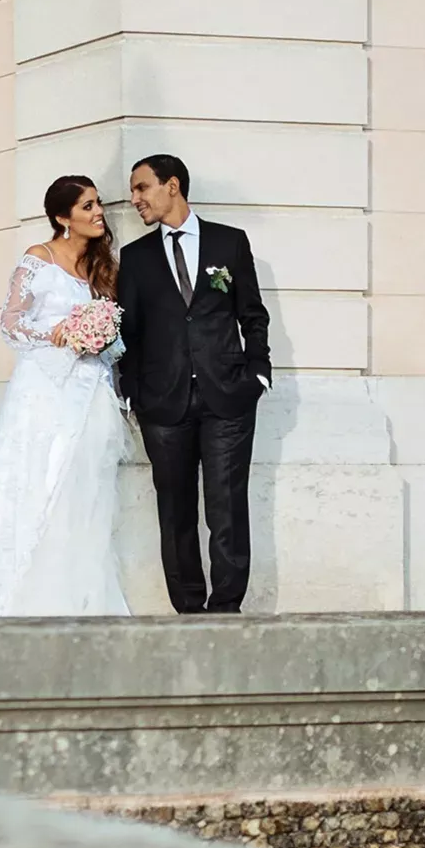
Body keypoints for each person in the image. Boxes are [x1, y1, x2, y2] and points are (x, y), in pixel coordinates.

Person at [0, 176, 131, 617]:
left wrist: (101, 338)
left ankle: (76, 597)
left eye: (98, 203)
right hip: (44, 393)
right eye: (86, 207)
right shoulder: (38, 259)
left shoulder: (103, 268)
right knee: (34, 485)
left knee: (84, 493)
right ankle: (11, 597)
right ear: (63, 218)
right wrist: (58, 334)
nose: (98, 212)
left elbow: (118, 335)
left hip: (92, 393)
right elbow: (10, 323)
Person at [116, 154, 271, 614]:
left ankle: (225, 612)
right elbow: (131, 333)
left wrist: (257, 373)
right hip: (163, 405)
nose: (135, 198)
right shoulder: (136, 257)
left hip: (228, 398)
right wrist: (132, 391)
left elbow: (252, 315)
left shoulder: (229, 243)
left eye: (142, 188)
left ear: (173, 186)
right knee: (175, 513)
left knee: (226, 509)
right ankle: (188, 613)